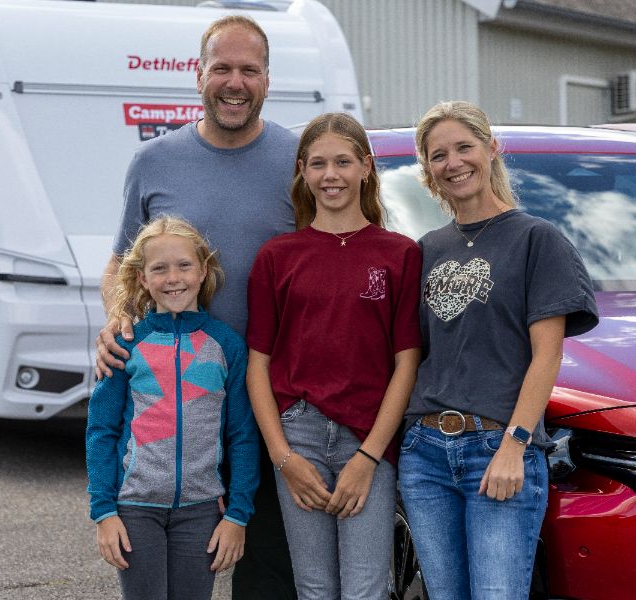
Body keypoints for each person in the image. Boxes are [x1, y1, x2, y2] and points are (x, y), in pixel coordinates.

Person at [95, 15, 298, 599]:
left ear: (266, 78)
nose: (235, 82)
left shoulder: (298, 159)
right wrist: (116, 318)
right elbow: (120, 264)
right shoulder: (154, 161)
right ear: (198, 73)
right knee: (175, 562)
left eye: (249, 70)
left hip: (271, 395)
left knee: (267, 562)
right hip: (176, 404)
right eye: (222, 68)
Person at [398, 101, 599, 600]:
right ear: (428, 169)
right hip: (424, 453)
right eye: (438, 155)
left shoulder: (537, 240)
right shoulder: (425, 249)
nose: (453, 163)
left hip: (496, 450)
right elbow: (414, 354)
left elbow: (546, 356)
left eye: (464, 147)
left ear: (490, 149)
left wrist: (515, 444)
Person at [245, 112, 422, 600]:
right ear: (303, 171)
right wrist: (283, 458)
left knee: (366, 588)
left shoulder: (400, 254)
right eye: (318, 164)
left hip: (369, 438)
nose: (331, 175)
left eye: (343, 162)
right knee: (315, 588)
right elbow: (257, 365)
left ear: (366, 167)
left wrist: (369, 457)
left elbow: (406, 362)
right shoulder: (278, 256)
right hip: (297, 436)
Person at [86, 216, 260, 600]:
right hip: (134, 508)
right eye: (159, 268)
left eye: (184, 265)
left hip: (201, 511)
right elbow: (101, 430)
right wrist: (103, 511)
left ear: (203, 271)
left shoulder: (226, 345)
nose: (173, 277)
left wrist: (236, 515)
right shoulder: (125, 345)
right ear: (142, 279)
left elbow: (242, 436)